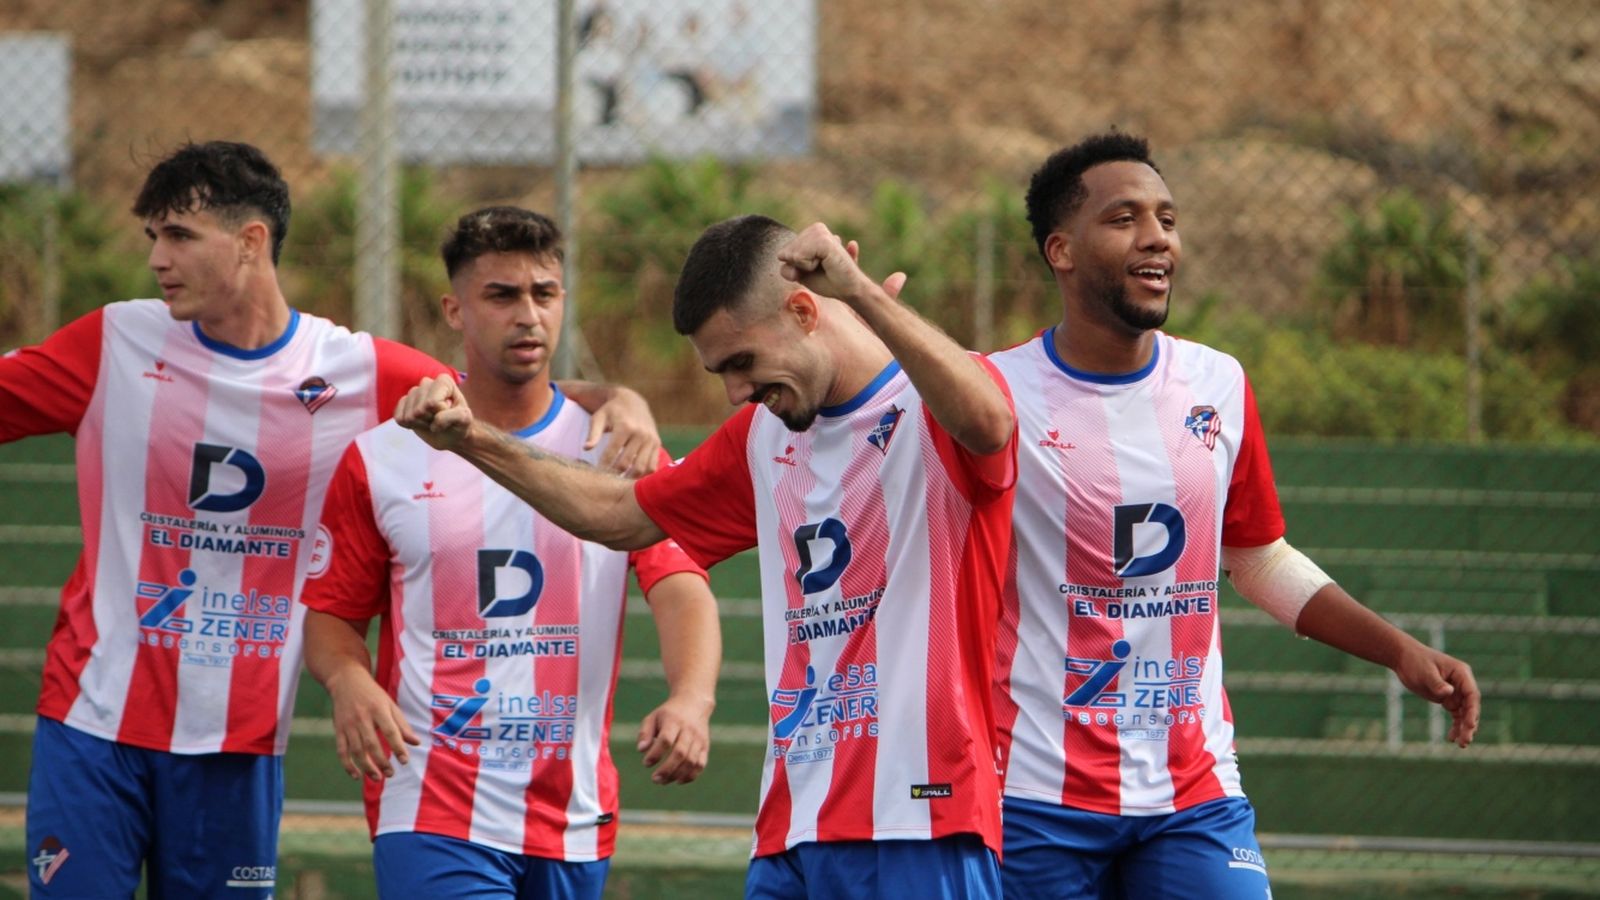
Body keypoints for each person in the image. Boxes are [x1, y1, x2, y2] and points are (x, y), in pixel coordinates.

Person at [0, 141, 661, 898]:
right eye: (153, 237)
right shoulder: (112, 341)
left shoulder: (357, 371)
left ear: (251, 242)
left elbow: (511, 392)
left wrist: (618, 399)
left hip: (239, 737)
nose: (157, 258)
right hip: (91, 718)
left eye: (178, 236)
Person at [394, 215, 1020, 899]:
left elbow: (990, 424)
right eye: (720, 372)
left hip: (921, 817)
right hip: (792, 829)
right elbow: (617, 514)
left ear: (806, 309)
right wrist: (471, 440)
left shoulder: (938, 407)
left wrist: (863, 294)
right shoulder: (760, 437)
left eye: (743, 363)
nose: (734, 392)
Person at [987, 132, 1483, 899]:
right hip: (1030, 797)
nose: (1157, 237)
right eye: (1124, 218)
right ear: (1062, 249)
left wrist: (1397, 650)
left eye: (1168, 219)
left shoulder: (1216, 382)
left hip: (1193, 793)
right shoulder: (992, 396)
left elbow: (1254, 556)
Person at [298, 205, 721, 899]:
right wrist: (348, 682)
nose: (528, 315)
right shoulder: (382, 458)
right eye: (501, 295)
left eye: (544, 294)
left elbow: (680, 585)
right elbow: (332, 615)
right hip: (431, 799)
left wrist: (693, 701)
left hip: (572, 810)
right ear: (455, 310)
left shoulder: (620, 448)